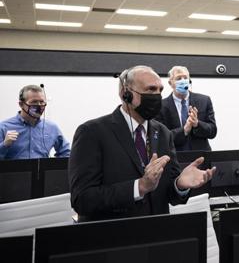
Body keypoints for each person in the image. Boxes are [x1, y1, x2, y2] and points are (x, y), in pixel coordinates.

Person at [69, 65, 215, 222]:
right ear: (125, 94)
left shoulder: (164, 133)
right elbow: (82, 200)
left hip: (157, 235)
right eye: (150, 90)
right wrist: (139, 187)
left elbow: (169, 196)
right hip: (113, 238)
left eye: (160, 90)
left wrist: (180, 184)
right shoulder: (92, 132)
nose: (157, 96)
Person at [0, 84, 70, 160]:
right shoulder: (4, 127)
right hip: (15, 171)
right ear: (21, 104)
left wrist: (54, 169)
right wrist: (4, 145)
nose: (39, 105)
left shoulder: (52, 128)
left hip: (42, 171)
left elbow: (66, 153)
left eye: (41, 102)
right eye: (34, 102)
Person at [156, 66, 217, 151]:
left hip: (201, 156)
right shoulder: (160, 106)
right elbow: (161, 137)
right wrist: (184, 130)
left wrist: (197, 124)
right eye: (178, 78)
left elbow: (213, 131)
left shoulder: (204, 100)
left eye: (185, 78)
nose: (182, 81)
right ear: (170, 83)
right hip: (175, 157)